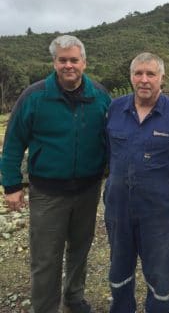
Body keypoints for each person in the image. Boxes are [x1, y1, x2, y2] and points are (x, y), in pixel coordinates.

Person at [0, 35, 111, 313]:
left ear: (84, 62)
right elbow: (13, 142)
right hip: (48, 193)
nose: (68, 65)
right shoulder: (35, 96)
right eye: (63, 60)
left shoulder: (99, 96)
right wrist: (11, 184)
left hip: (87, 189)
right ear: (54, 63)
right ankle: (46, 307)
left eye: (74, 60)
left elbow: (111, 137)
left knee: (80, 249)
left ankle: (74, 297)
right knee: (46, 257)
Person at [104, 52, 169, 313]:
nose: (144, 80)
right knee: (119, 267)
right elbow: (107, 152)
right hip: (118, 208)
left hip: (159, 211)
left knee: (161, 274)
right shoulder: (114, 109)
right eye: (138, 73)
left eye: (151, 74)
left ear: (161, 78)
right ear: (131, 77)